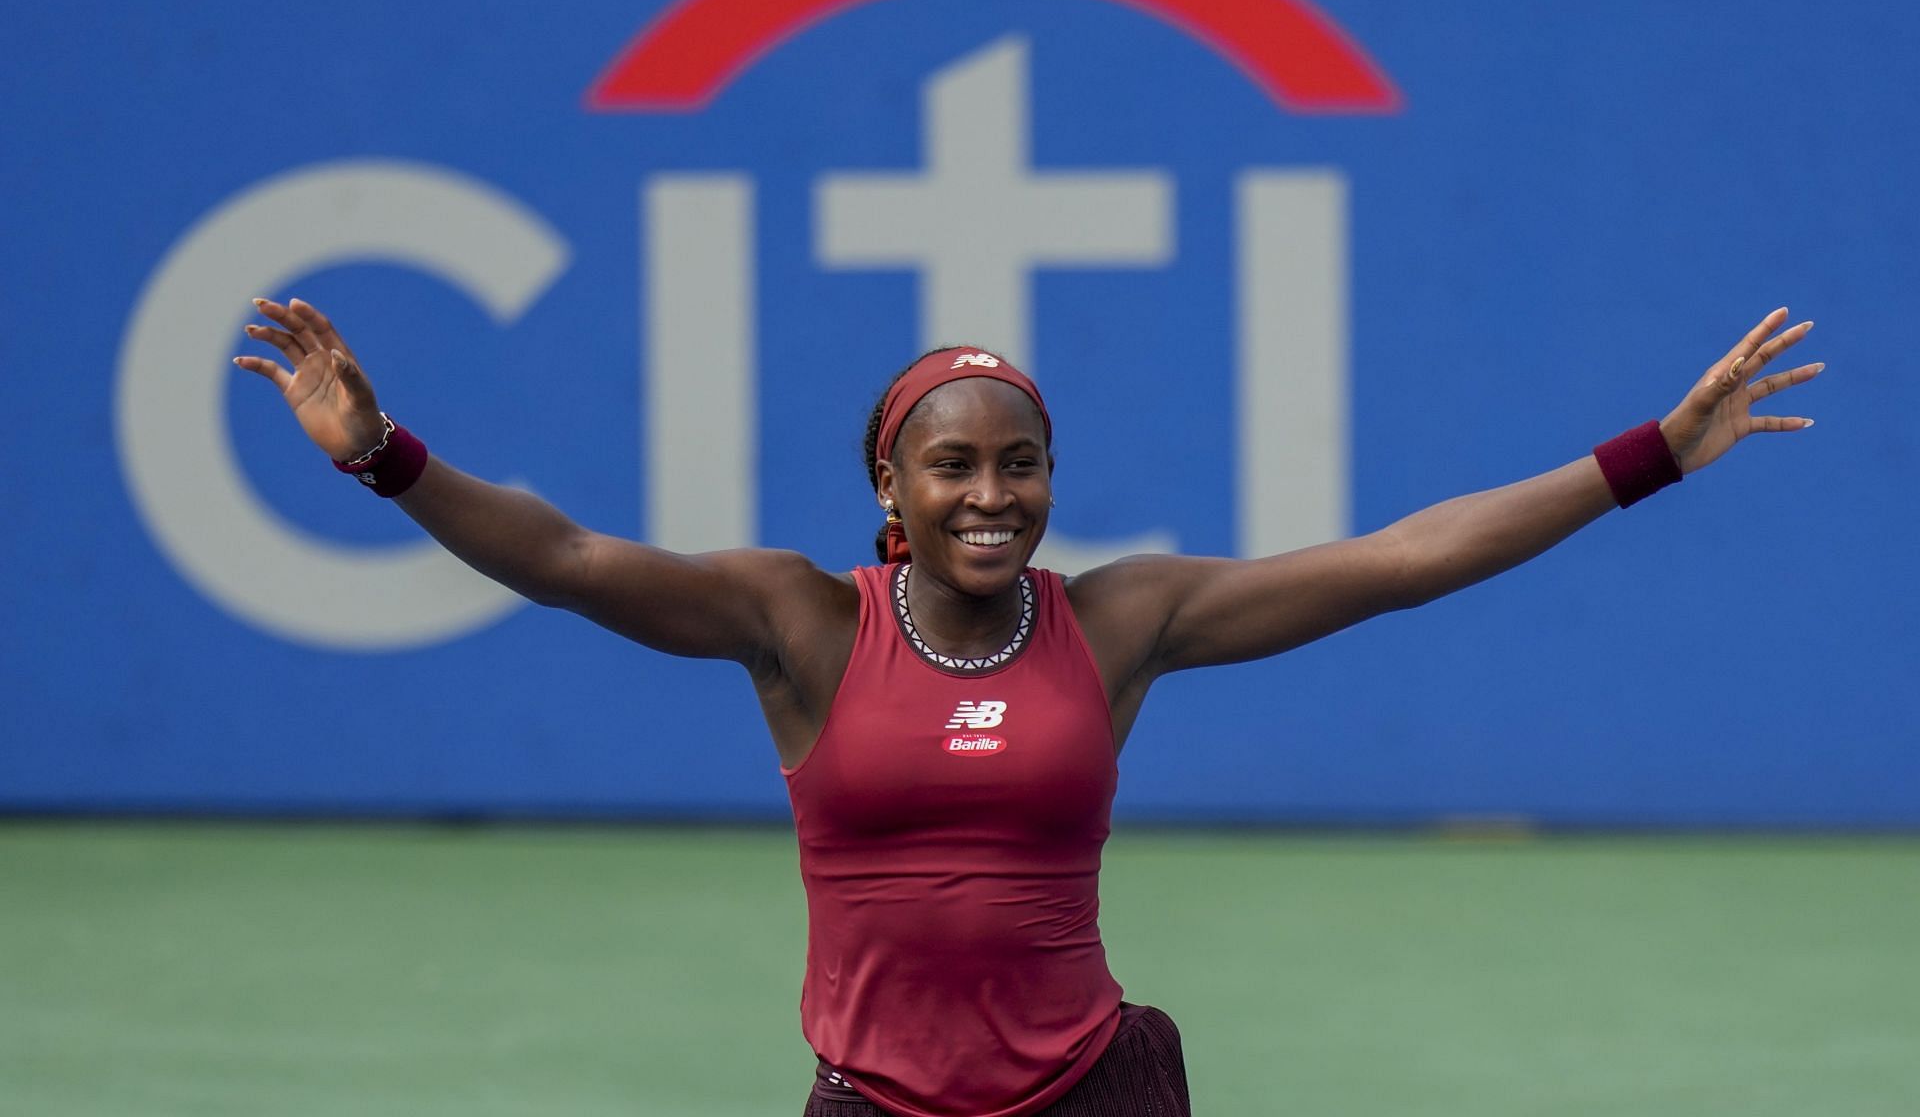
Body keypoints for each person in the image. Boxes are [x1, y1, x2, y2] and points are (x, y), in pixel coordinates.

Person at [235, 299, 1819, 1117]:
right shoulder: (794, 625)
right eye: (955, 465)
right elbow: (571, 555)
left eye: (1021, 464)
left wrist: (1651, 457)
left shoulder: (1123, 622)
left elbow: (1399, 561)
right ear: (891, 485)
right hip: (874, 1104)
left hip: (1092, 1097)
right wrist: (386, 458)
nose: (992, 496)